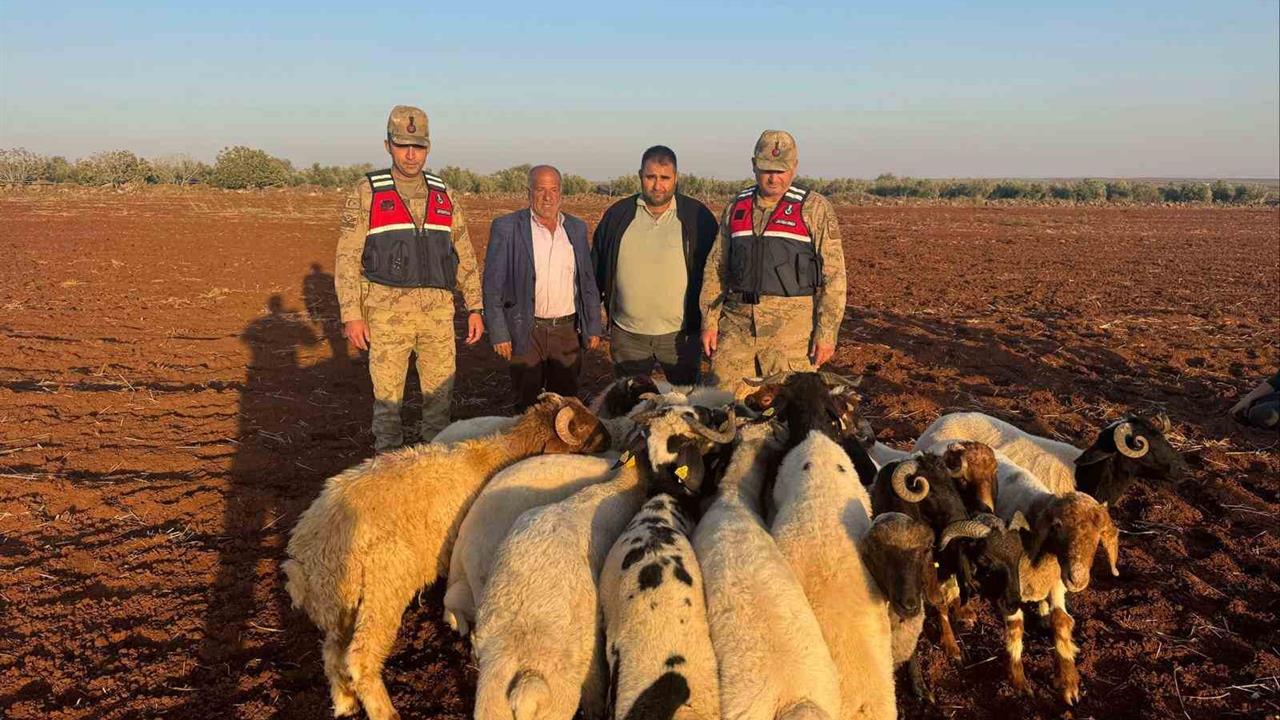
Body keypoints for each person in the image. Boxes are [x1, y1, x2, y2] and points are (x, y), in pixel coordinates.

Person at [334, 105, 484, 451]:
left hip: (438, 315)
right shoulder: (368, 191)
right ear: (388, 145)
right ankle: (387, 467)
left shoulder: (444, 193)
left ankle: (431, 469)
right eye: (403, 145)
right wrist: (351, 314)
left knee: (440, 404)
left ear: (428, 148)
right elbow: (347, 257)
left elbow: (464, 253)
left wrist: (475, 307)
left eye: (418, 146)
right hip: (387, 315)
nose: (411, 154)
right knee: (388, 406)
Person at [699, 130, 847, 397]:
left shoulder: (814, 208)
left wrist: (827, 333)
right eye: (766, 169)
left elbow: (834, 277)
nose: (773, 178)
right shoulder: (736, 207)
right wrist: (709, 321)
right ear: (754, 165)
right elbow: (716, 265)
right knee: (725, 405)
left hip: (792, 338)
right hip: (737, 330)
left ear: (794, 167)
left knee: (791, 408)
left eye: (781, 170)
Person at [591, 145, 719, 385]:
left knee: (683, 400)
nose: (657, 185)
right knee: (631, 401)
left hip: (680, 336)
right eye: (650, 177)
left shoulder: (697, 216)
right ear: (640, 175)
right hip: (628, 336)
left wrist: (711, 321)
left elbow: (716, 271)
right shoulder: (618, 215)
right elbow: (596, 268)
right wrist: (591, 320)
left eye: (665, 178)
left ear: (676, 178)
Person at [483, 165, 603, 410]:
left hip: (567, 332)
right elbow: (492, 285)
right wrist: (499, 333)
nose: (547, 197)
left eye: (553, 190)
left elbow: (587, 280)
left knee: (566, 403)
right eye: (540, 190)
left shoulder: (576, 228)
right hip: (526, 330)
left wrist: (593, 326)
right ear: (528, 192)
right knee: (527, 404)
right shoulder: (507, 227)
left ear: (561, 193)